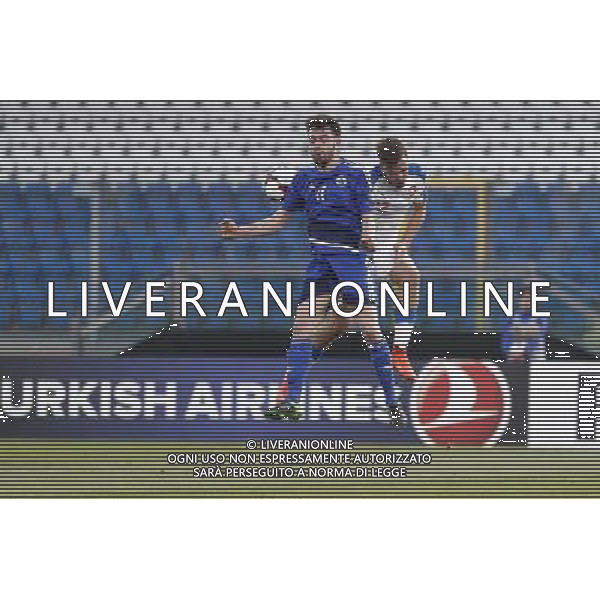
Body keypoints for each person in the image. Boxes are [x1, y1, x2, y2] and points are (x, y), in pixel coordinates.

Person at [219, 115, 409, 426]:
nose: (318, 142)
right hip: (320, 263)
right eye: (314, 137)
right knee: (301, 333)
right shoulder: (303, 179)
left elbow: (367, 213)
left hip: (351, 262)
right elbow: (279, 220)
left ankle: (392, 406)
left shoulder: (355, 177)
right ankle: (291, 403)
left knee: (372, 334)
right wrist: (238, 231)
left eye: (324, 137)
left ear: (337, 142)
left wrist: (369, 233)